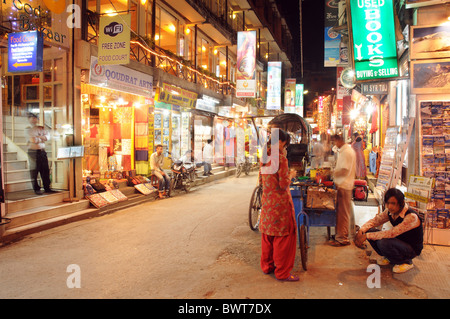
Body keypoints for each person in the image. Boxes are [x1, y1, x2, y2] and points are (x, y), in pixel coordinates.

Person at [259, 129, 298, 281]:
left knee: (267, 236)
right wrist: (291, 175)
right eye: (285, 144)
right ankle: (282, 272)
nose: (285, 147)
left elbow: (262, 180)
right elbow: (283, 184)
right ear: (280, 142)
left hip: (267, 202)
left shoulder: (264, 155)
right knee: (283, 238)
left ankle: (267, 267)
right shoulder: (280, 158)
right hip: (280, 204)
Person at [355, 188, 423, 273]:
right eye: (388, 203)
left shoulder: (411, 216)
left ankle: (406, 262)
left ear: (401, 203)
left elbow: (392, 233)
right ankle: (391, 257)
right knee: (369, 231)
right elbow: (375, 221)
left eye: (393, 203)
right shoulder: (390, 211)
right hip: (398, 242)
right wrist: (361, 231)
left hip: (411, 249)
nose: (390, 206)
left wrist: (366, 236)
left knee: (383, 242)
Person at [330, 134, 356, 246]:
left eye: (335, 141)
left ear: (339, 140)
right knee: (341, 212)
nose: (334, 144)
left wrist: (332, 172)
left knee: (343, 213)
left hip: (344, 185)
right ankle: (340, 235)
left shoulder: (346, 152)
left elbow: (344, 170)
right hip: (344, 184)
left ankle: (342, 238)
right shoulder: (345, 151)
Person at [26, 113, 55, 195]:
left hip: (42, 151)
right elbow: (33, 140)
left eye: (35, 118)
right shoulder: (29, 129)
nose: (34, 120)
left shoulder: (41, 128)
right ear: (29, 119)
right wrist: (41, 138)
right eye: (32, 118)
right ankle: (36, 188)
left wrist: (39, 138)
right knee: (35, 170)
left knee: (45, 170)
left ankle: (47, 187)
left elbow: (47, 137)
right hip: (33, 152)